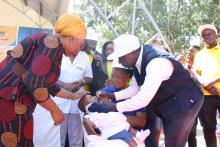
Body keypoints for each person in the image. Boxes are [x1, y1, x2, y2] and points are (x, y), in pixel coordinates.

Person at [95, 34, 204, 147]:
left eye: (121, 57)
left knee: (174, 142)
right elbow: (135, 88)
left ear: (132, 52)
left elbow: (143, 99)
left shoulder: (156, 63)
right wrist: (111, 96)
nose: (119, 61)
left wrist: (114, 107)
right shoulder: (136, 62)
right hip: (170, 101)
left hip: (186, 100)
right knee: (159, 137)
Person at [0, 13, 88, 146]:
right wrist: (55, 111)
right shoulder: (52, 43)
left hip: (11, 98)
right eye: (80, 45)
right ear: (71, 38)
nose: (80, 49)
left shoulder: (50, 43)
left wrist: (72, 96)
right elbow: (36, 84)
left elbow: (47, 84)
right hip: (10, 100)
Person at [33, 51, 93, 147]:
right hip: (58, 101)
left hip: (77, 102)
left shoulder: (84, 56)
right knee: (57, 138)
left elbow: (89, 77)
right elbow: (47, 77)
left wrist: (81, 82)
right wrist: (64, 85)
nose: (80, 46)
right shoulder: (57, 54)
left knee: (76, 139)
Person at [78, 95, 150, 147]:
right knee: (129, 137)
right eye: (90, 97)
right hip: (113, 130)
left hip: (115, 128)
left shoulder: (93, 109)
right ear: (85, 104)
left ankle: (139, 135)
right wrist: (111, 107)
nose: (94, 97)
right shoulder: (90, 106)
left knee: (127, 128)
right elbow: (103, 108)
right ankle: (137, 142)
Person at [193, 24, 220, 147]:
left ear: (216, 34)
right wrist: (207, 86)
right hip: (206, 96)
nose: (206, 37)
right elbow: (195, 73)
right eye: (203, 36)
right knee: (208, 129)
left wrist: (211, 82)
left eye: (209, 34)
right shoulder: (200, 54)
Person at [185, 41, 200, 147]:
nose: (188, 53)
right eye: (188, 51)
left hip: (206, 100)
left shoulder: (203, 65)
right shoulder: (184, 67)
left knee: (209, 128)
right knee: (191, 131)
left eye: (191, 51)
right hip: (189, 103)